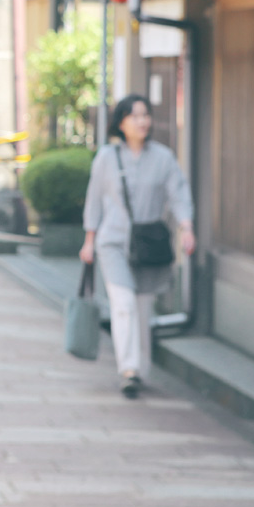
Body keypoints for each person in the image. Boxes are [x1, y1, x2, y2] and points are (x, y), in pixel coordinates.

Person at [80, 94, 195, 399]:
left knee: (143, 310)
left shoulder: (163, 158)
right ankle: (128, 369)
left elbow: (178, 193)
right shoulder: (106, 157)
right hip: (113, 242)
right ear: (121, 122)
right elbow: (94, 200)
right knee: (124, 305)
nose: (142, 121)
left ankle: (140, 370)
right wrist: (89, 240)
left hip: (149, 246)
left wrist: (186, 227)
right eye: (135, 116)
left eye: (146, 115)